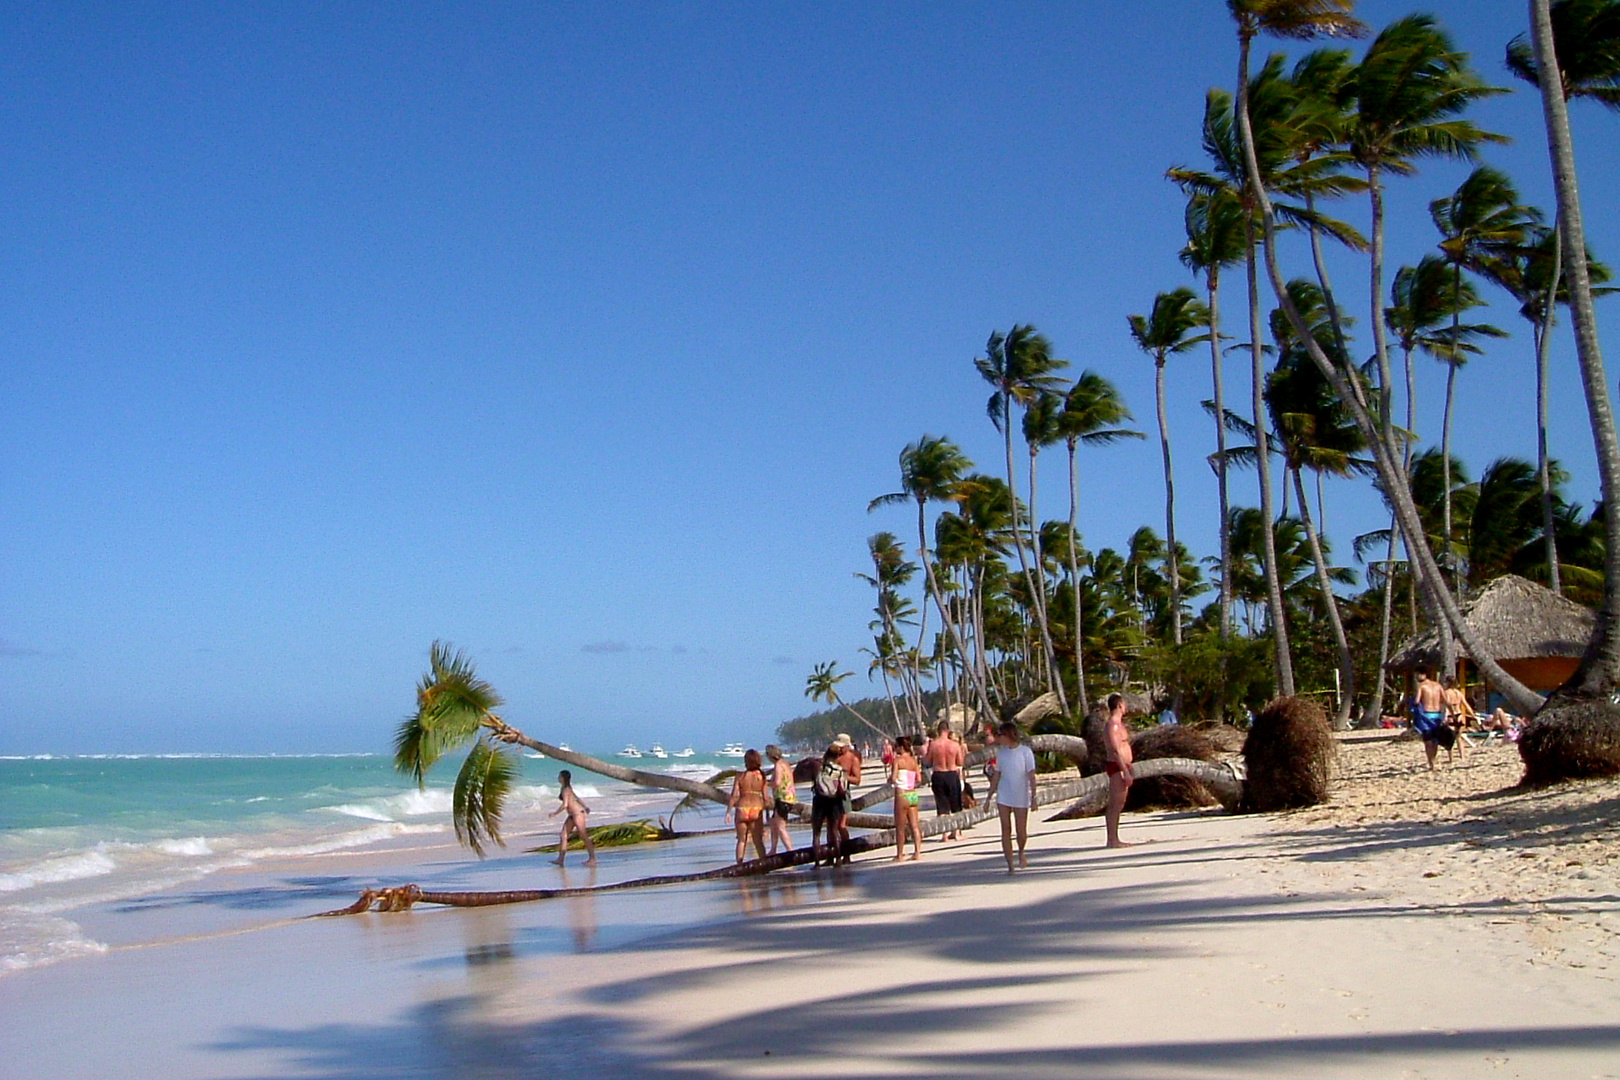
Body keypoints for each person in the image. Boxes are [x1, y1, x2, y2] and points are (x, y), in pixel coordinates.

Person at [988, 721, 1037, 872]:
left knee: (1021, 831)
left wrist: (1034, 797)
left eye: (1000, 735)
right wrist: (989, 796)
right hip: (1004, 794)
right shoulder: (1001, 753)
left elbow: (1031, 775)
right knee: (1005, 829)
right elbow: (997, 775)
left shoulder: (1025, 752)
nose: (998, 738)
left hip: (1020, 795)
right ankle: (1010, 864)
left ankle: (1021, 851)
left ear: (1008, 735)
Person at [923, 719, 965, 840]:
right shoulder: (955, 745)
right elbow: (960, 762)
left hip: (938, 774)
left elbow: (928, 761)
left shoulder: (934, 744)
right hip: (952, 774)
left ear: (939, 730)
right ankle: (956, 833)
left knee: (942, 805)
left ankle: (944, 834)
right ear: (948, 730)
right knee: (955, 804)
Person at [1103, 693, 1135, 849]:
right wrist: (1124, 770)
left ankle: (1114, 838)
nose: (1126, 707)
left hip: (1123, 765)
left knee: (1120, 803)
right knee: (1115, 803)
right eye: (1124, 704)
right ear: (1120, 705)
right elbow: (1115, 750)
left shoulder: (1119, 724)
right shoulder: (1113, 725)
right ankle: (1112, 839)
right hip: (1117, 766)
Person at [725, 748, 769, 864]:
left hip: (742, 809)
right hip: (756, 809)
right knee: (758, 841)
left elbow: (734, 795)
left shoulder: (740, 776)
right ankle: (764, 864)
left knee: (741, 841)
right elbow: (765, 797)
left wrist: (728, 811)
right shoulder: (762, 776)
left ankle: (739, 864)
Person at [549, 769, 597, 866]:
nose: (558, 778)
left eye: (560, 776)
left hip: (578, 813)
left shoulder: (566, 789)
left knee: (583, 835)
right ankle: (560, 859)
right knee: (563, 835)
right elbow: (577, 798)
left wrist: (554, 813)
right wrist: (585, 806)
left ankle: (592, 859)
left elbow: (565, 805)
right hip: (572, 815)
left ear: (563, 778)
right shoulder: (566, 788)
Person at [1411, 668, 1456, 770]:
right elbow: (1446, 701)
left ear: (1423, 675)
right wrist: (1453, 714)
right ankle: (1434, 762)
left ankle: (1431, 763)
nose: (1417, 677)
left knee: (1428, 741)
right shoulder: (1438, 686)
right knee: (1435, 741)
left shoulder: (1421, 687)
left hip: (1426, 716)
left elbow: (1417, 701)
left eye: (1418, 675)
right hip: (1437, 715)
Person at [810, 745, 848, 866]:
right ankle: (838, 859)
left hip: (820, 801)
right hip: (835, 801)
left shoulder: (820, 768)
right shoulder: (840, 770)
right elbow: (844, 787)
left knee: (816, 832)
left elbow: (816, 784)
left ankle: (817, 862)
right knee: (834, 830)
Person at [888, 736, 923, 861]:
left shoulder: (898, 761)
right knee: (914, 825)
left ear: (901, 747)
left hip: (901, 793)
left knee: (900, 826)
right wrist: (911, 784)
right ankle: (917, 852)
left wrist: (890, 781)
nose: (895, 748)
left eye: (896, 746)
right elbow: (919, 779)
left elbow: (893, 778)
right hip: (911, 792)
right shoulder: (913, 761)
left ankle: (900, 854)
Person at [833, 733, 862, 861]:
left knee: (841, 825)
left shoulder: (852, 759)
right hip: (831, 793)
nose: (839, 749)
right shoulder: (835, 757)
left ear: (847, 746)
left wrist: (843, 776)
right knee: (831, 826)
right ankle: (833, 855)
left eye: (841, 747)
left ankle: (847, 854)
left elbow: (857, 780)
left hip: (843, 793)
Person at [765, 744, 795, 855]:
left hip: (783, 798)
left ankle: (790, 851)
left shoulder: (778, 765)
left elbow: (777, 783)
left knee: (780, 826)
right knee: (773, 823)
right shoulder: (785, 764)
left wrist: (766, 784)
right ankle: (773, 849)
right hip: (788, 797)